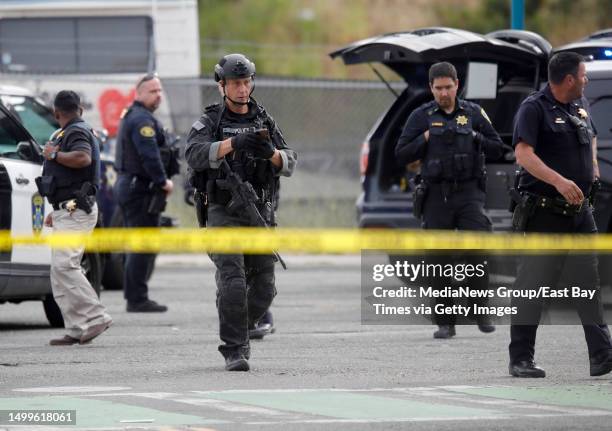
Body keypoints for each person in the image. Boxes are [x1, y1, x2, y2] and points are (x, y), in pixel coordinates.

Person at [185, 53, 297, 371]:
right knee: (233, 283)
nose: (243, 89)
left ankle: (237, 322)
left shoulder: (264, 119)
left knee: (264, 287)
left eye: (247, 82)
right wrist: (233, 144)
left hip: (259, 211)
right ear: (222, 86)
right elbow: (192, 154)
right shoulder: (210, 121)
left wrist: (271, 154)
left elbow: (290, 161)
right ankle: (234, 348)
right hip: (223, 212)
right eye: (236, 83)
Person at [508, 52, 612, 378]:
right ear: (568, 79)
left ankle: (602, 355)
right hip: (544, 214)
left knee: (587, 284)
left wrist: (592, 165)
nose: (586, 81)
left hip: (580, 213)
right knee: (533, 286)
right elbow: (523, 154)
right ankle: (520, 358)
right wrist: (560, 181)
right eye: (583, 76)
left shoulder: (579, 105)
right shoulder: (534, 108)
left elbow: (591, 134)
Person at [395, 61, 503, 339]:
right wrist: (427, 137)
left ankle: (480, 310)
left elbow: (498, 148)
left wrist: (476, 137)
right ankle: (445, 321)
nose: (444, 93)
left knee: (477, 250)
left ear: (458, 85)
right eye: (439, 88)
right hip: (435, 195)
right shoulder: (421, 116)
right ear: (431, 88)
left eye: (449, 87)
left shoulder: (474, 113)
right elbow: (402, 153)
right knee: (438, 260)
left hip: (469, 193)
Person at [37, 90, 112, 345]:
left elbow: (82, 158)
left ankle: (96, 316)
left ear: (56, 113)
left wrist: (54, 155)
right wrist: (56, 210)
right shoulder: (68, 131)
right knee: (59, 272)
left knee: (65, 266)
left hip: (76, 210)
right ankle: (76, 328)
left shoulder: (76, 132)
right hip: (66, 210)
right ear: (80, 108)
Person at [115, 73, 177, 312]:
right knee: (144, 244)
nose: (158, 95)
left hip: (133, 186)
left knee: (138, 242)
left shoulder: (137, 115)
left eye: (159, 90)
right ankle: (137, 298)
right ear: (138, 93)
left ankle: (135, 295)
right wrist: (163, 182)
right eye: (152, 91)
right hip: (140, 188)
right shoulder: (141, 120)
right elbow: (149, 155)